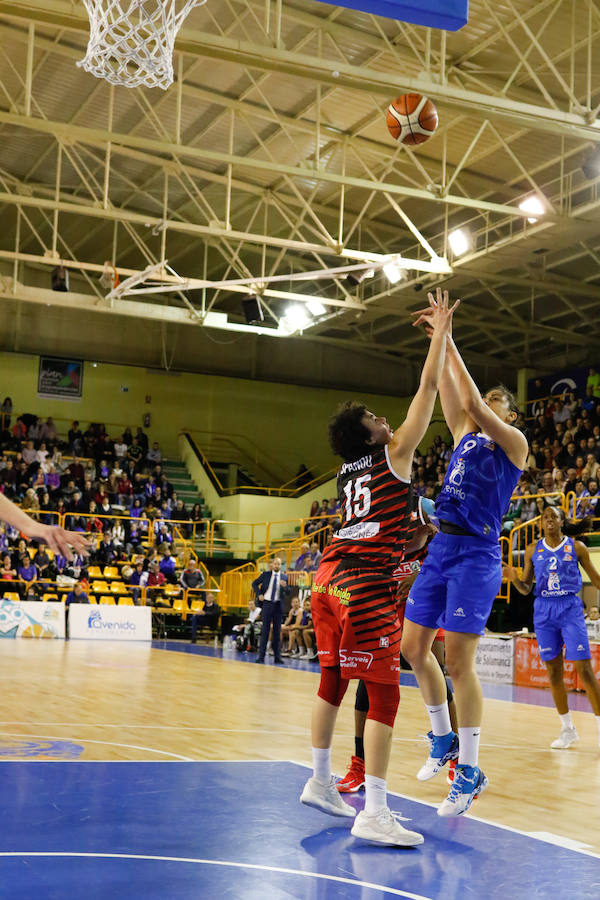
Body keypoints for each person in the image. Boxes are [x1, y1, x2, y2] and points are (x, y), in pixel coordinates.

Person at [300, 288, 458, 847]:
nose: (385, 418)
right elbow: (427, 390)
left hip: (326, 579)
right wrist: (440, 333)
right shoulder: (393, 455)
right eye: (374, 417)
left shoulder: (348, 476)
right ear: (370, 436)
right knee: (386, 693)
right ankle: (376, 810)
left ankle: (320, 781)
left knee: (333, 679)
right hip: (363, 584)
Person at [401, 304, 528, 818]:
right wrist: (440, 339)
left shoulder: (513, 446)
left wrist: (449, 336)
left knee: (459, 663)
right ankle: (444, 739)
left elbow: (470, 396)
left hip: (476, 555)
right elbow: (454, 394)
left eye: (496, 405)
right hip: (441, 549)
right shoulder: (461, 434)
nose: (482, 410)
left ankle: (470, 770)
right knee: (413, 647)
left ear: (509, 415)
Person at [503, 506, 600, 750]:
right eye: (545, 517)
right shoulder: (532, 550)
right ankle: (567, 729)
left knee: (584, 670)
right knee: (554, 673)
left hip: (569, 607)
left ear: (561, 521)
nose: (549, 520)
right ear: (540, 524)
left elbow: (596, 580)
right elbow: (526, 588)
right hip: (543, 610)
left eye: (553, 517)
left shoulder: (577, 547)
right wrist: (512, 577)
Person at [251, 557, 289, 664]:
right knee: (265, 631)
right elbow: (254, 584)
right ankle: (261, 657)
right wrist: (259, 595)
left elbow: (288, 592)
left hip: (278, 606)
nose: (277, 565)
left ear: (281, 566)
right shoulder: (266, 574)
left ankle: (277, 657)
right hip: (267, 604)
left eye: (279, 564)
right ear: (272, 565)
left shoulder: (284, 577)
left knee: (277, 632)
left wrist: (285, 587)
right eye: (275, 564)